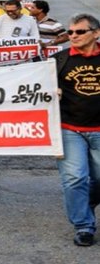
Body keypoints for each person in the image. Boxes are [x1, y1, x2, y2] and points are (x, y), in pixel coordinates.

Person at [53, 13, 100, 247]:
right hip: (69, 128)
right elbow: (36, 88)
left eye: (79, 32)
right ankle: (83, 225)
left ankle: (86, 202)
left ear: (96, 33)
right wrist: (51, 93)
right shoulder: (59, 60)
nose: (73, 36)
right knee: (74, 179)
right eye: (70, 32)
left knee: (98, 179)